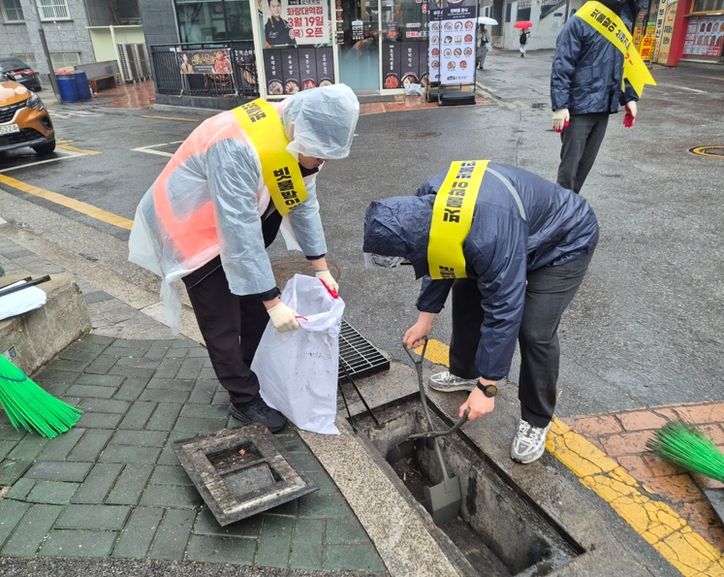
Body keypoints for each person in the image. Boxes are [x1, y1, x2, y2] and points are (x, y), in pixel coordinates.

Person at [128, 85, 360, 433]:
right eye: (319, 154)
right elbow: (239, 229)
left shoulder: (295, 132)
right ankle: (244, 398)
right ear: (300, 132)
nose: (321, 162)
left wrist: (321, 267)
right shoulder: (236, 146)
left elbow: (302, 202)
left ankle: (259, 375)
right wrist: (272, 300)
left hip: (230, 224)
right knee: (222, 321)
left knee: (255, 311)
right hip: (191, 228)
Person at [363, 160, 598, 464]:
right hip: (512, 232)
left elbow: (504, 308)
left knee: (534, 330)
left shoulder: (488, 237)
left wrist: (488, 388)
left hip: (563, 242)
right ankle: (464, 373)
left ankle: (536, 419)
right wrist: (425, 317)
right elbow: (438, 257)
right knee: (466, 291)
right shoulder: (423, 203)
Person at [551, 0, 640, 194]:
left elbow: (623, 65)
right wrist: (560, 105)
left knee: (585, 166)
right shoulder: (580, 21)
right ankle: (560, 207)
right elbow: (562, 64)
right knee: (569, 168)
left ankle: (571, 204)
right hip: (578, 107)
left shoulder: (620, 24)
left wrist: (629, 97)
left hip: (604, 107)